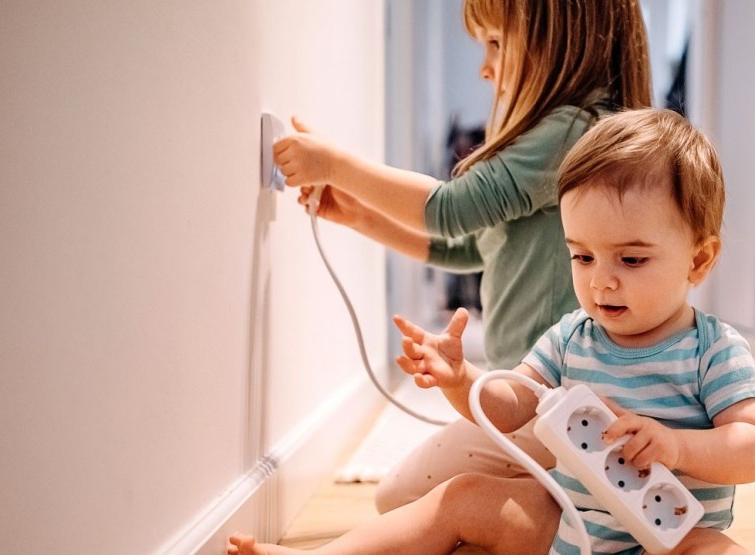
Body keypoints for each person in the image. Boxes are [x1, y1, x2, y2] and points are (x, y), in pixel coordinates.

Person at [230, 110, 755, 554]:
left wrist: (678, 446)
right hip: (569, 528)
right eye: (581, 256)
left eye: (631, 260)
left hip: (675, 539)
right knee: (464, 496)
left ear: (699, 260)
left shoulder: (715, 351)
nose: (601, 281)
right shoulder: (570, 337)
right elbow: (514, 402)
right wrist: (461, 378)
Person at [273, 0, 655, 512]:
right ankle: (559, 491)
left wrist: (337, 165)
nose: (485, 65)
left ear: (559, 37)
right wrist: (362, 216)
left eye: (496, 42)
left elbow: (452, 209)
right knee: (406, 495)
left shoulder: (572, 131)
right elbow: (472, 244)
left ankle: (560, 497)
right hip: (537, 398)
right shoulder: (582, 128)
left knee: (400, 499)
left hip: (554, 402)